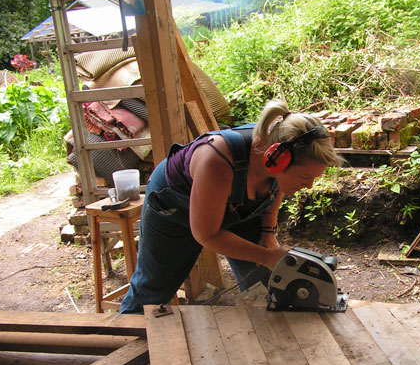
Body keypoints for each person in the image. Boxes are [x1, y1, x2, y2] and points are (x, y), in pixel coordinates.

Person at [119, 98, 344, 313]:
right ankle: (121, 338)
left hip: (235, 206)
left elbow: (275, 190)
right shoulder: (217, 161)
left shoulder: (276, 154)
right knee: (153, 289)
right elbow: (207, 234)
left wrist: (268, 233)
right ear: (279, 160)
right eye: (305, 177)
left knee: (266, 285)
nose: (309, 186)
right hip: (174, 206)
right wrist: (266, 256)